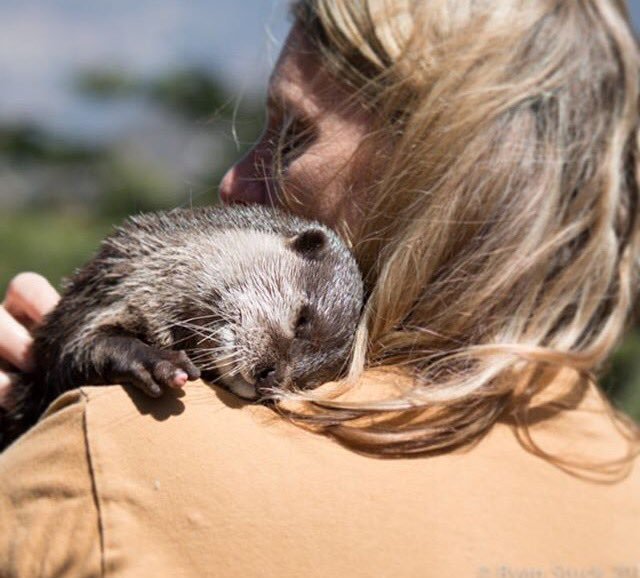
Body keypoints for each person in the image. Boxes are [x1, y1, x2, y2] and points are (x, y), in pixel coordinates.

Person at [1, 0, 639, 575]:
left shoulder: (113, 460)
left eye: (294, 135)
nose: (233, 183)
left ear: (438, 165)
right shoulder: (624, 484)